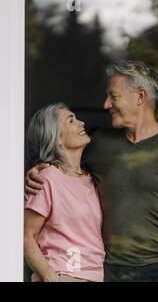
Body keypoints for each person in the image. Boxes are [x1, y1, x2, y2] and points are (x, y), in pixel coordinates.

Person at [26, 61, 158, 282]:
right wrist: (35, 170)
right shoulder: (98, 144)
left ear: (140, 97)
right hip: (110, 271)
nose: (105, 104)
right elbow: (64, 164)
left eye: (113, 96)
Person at [24, 103, 104, 282]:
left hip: (96, 276)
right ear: (56, 138)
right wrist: (51, 277)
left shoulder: (92, 179)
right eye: (71, 120)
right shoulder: (46, 178)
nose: (81, 123)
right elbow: (26, 236)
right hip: (64, 275)